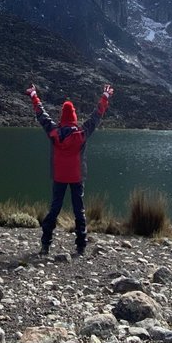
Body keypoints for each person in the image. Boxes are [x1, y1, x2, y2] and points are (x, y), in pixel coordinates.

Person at [26, 82, 113, 256]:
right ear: (73, 117)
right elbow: (96, 116)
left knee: (55, 208)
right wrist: (105, 97)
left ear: (61, 117)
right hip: (77, 176)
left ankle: (45, 245)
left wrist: (34, 95)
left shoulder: (54, 132)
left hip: (59, 176)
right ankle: (81, 246)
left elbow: (41, 115)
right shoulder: (82, 133)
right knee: (79, 209)